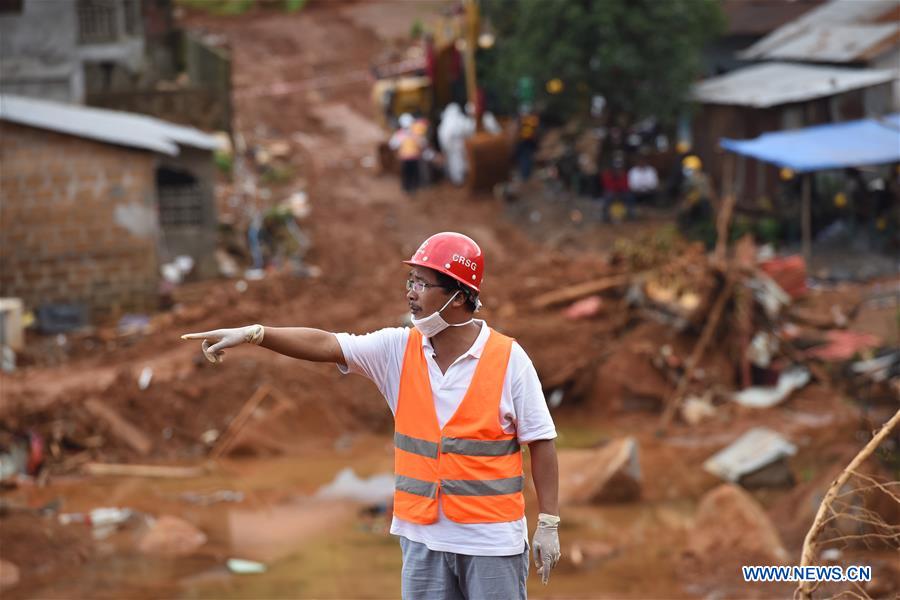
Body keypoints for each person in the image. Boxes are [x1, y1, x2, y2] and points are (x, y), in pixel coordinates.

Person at [181, 232, 561, 599]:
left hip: (491, 544)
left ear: (459, 297)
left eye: (423, 284)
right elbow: (328, 344)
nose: (411, 292)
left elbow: (541, 441)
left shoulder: (509, 360)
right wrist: (256, 333)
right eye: (410, 280)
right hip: (422, 540)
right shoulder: (398, 350)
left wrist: (548, 522)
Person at [390, 113, 426, 194]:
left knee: (407, 174)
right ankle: (413, 187)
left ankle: (407, 187)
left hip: (405, 158)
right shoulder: (415, 133)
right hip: (414, 157)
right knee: (413, 173)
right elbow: (423, 143)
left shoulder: (400, 134)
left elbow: (392, 145)